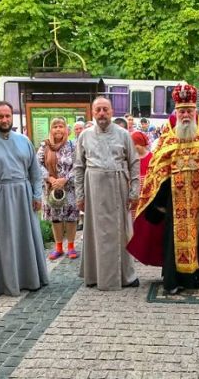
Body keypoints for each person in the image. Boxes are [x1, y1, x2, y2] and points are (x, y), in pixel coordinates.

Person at [127, 83, 199, 294]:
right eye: (181, 111)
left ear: (195, 113)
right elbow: (156, 171)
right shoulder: (166, 141)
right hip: (175, 203)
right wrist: (164, 188)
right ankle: (175, 281)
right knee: (173, 240)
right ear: (176, 113)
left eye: (189, 111)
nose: (185, 115)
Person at [0, 101, 48, 297]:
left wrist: (37, 194)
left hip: (23, 195)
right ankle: (5, 281)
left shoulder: (24, 141)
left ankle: (29, 278)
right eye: (0, 116)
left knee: (25, 236)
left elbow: (35, 172)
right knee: (4, 240)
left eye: (7, 116)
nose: (5, 120)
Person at [74, 97, 140, 290]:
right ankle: (95, 275)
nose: (101, 113)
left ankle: (125, 276)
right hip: (93, 188)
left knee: (121, 233)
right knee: (96, 233)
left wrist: (134, 191)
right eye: (98, 110)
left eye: (105, 109)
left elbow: (134, 163)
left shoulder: (123, 134)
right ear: (93, 113)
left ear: (111, 111)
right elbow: (78, 166)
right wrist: (80, 195)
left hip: (117, 186)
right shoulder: (84, 136)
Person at [37, 117, 79, 260]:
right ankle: (59, 247)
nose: (58, 129)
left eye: (61, 126)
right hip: (51, 188)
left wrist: (65, 179)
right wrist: (50, 179)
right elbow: (38, 164)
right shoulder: (45, 146)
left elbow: (78, 165)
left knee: (71, 217)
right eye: (55, 127)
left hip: (69, 187)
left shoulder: (73, 145)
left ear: (66, 129)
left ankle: (71, 247)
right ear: (51, 130)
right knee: (56, 218)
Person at [130, 130, 153, 220]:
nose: (134, 147)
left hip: (147, 195)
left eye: (136, 145)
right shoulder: (130, 159)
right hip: (134, 195)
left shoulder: (152, 157)